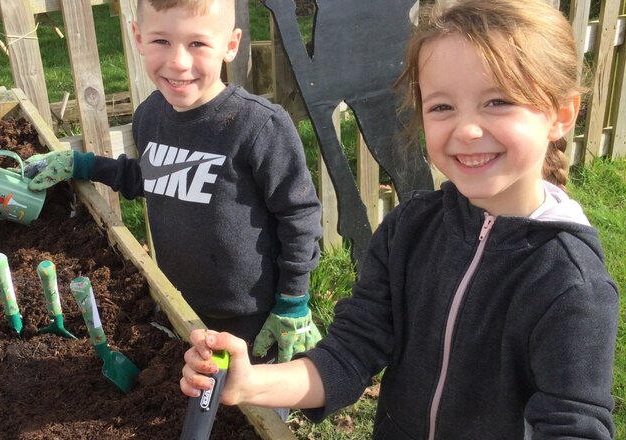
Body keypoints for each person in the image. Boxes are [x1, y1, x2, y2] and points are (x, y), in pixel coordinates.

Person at [180, 0, 620, 438]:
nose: (466, 129)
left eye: (498, 101)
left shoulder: (569, 282)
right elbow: (349, 354)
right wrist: (251, 380)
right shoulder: (409, 229)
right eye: (442, 107)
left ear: (560, 115)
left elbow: (573, 425)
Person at [23, 0, 323, 365]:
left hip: (253, 316)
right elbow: (152, 177)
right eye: (161, 41)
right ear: (138, 37)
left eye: (197, 43)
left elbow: (299, 214)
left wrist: (292, 301)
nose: (178, 62)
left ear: (231, 44)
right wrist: (82, 164)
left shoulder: (258, 127)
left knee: (250, 412)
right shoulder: (150, 116)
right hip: (180, 304)